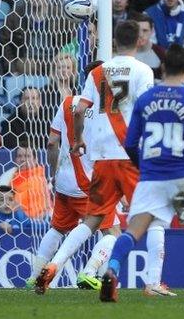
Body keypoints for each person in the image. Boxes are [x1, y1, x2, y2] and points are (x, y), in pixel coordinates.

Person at [99, 44, 184, 303]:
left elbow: (130, 143)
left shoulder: (145, 99)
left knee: (134, 230)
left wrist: (143, 167)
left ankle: (111, 270)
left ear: (163, 67)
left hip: (152, 176)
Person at [33, 20, 154, 294]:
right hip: (128, 153)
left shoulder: (96, 75)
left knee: (90, 222)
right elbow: (147, 110)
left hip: (99, 159)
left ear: (114, 42)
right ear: (138, 40)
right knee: (150, 218)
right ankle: (145, 280)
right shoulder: (143, 70)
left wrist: (77, 141)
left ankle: (53, 266)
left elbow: (76, 115)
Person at [26, 93, 123, 291]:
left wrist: (54, 173)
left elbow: (52, 142)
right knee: (113, 232)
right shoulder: (106, 108)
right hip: (89, 183)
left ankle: (34, 276)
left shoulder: (67, 102)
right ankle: (89, 272)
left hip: (63, 180)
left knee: (58, 228)